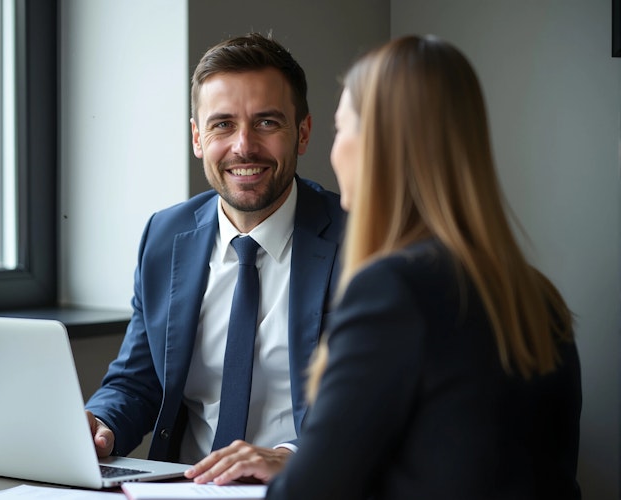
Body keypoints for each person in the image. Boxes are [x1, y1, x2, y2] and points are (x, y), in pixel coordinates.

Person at [265, 35, 582, 499]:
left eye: (340, 130)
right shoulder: (538, 296)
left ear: (378, 144)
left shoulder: (392, 291)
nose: (333, 154)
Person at [84, 32, 345, 483]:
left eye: (267, 123)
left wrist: (293, 457)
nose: (243, 146)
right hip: (179, 488)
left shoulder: (359, 239)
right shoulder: (165, 235)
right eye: (222, 124)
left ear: (302, 133)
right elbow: (136, 381)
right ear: (197, 138)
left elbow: (378, 402)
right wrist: (100, 424)